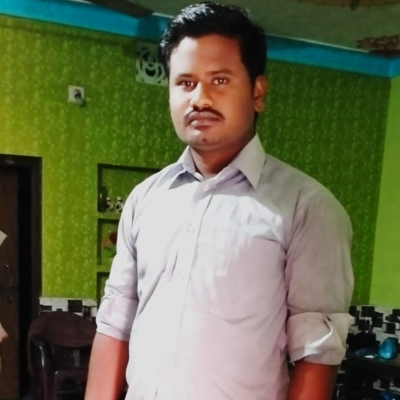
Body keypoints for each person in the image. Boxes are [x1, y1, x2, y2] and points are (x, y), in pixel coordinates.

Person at [85, 3, 354, 400]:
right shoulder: (146, 200)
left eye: (220, 80)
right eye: (185, 82)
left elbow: (317, 353)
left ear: (257, 92)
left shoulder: (307, 208)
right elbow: (114, 324)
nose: (200, 98)